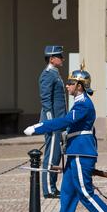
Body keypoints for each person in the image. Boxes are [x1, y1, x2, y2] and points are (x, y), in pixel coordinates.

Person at [24, 63, 107, 212]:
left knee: (86, 194)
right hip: (75, 153)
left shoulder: (83, 105)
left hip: (82, 153)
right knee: (67, 196)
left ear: (80, 86)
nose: (67, 86)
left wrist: (39, 127)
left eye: (71, 83)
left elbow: (65, 121)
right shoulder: (79, 104)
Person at [39, 45, 67, 199]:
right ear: (51, 59)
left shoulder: (55, 74)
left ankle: (53, 186)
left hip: (58, 121)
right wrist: (51, 122)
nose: (62, 58)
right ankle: (48, 189)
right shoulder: (48, 75)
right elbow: (46, 101)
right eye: (59, 56)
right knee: (51, 156)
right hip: (53, 121)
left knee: (56, 156)